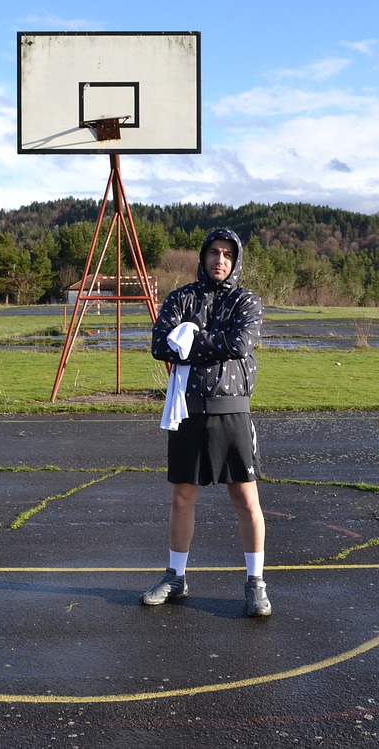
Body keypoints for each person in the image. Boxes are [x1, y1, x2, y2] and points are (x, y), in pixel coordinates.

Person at [142, 228, 270, 617]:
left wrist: (190, 340)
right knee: (182, 498)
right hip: (187, 410)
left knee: (246, 499)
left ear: (236, 260)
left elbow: (239, 344)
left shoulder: (248, 301)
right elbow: (159, 345)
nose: (220, 260)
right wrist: (203, 340)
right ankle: (176, 578)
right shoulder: (181, 297)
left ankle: (255, 583)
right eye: (214, 252)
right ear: (203, 256)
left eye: (228, 254)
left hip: (232, 409)